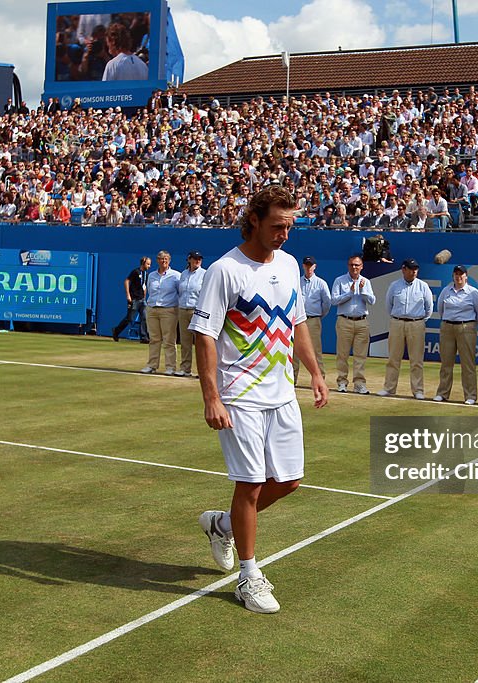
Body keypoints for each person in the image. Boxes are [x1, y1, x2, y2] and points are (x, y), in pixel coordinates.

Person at [189, 186, 328, 614]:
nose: (285, 234)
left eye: (290, 226)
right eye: (277, 226)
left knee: (288, 481)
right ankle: (248, 577)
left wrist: (316, 373)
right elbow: (204, 335)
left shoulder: (287, 265)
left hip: (281, 391)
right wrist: (212, 397)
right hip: (240, 395)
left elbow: (297, 324)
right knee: (249, 484)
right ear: (253, 220)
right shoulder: (224, 270)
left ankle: (223, 525)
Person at [377, 259, 433, 399]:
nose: (414, 271)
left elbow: (429, 308)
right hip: (397, 323)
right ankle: (389, 388)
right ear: (403, 269)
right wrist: (398, 319)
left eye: (415, 269)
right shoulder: (394, 286)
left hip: (416, 324)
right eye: (411, 268)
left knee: (416, 360)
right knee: (393, 358)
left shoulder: (423, 286)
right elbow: (388, 305)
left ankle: (418, 390)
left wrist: (419, 321)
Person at [434, 265, 478, 404]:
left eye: (461, 274)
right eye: (456, 274)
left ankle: (470, 396)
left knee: (467, 364)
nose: (458, 276)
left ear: (466, 276)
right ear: (453, 276)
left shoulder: (473, 292)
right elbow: (440, 309)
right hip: (447, 327)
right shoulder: (446, 291)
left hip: (466, 327)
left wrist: (469, 324)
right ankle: (443, 393)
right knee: (446, 363)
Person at [331, 254, 376, 393]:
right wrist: (349, 293)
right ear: (348, 266)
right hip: (344, 320)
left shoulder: (366, 282)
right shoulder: (340, 280)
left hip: (362, 322)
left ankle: (359, 384)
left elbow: (372, 300)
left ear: (361, 267)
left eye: (357, 265)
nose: (354, 267)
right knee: (342, 354)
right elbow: (333, 301)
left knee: (360, 356)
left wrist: (362, 291)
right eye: (352, 265)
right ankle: (342, 382)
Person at [142, 250, 179, 374]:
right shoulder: (151, 275)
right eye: (161, 259)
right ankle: (152, 365)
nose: (163, 261)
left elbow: (180, 293)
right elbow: (149, 291)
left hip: (169, 310)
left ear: (169, 261)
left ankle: (170, 367)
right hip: (152, 309)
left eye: (166, 259)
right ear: (157, 260)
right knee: (154, 339)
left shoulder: (176, 276)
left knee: (169, 339)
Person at [295, 256, 331, 383]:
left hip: (313, 319)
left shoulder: (321, 283)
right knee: (294, 352)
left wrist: (318, 316)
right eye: (306, 265)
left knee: (316, 351)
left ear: (315, 267)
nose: (308, 267)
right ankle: (292, 380)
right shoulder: (296, 282)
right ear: (303, 266)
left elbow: (327, 303)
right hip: (297, 321)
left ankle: (320, 379)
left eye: (311, 265)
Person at [175, 251, 205, 377]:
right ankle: (185, 368)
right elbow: (180, 292)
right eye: (195, 258)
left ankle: (202, 370)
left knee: (199, 342)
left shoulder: (205, 274)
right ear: (189, 260)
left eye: (199, 259)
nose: (197, 261)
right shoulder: (183, 274)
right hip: (183, 310)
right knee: (185, 342)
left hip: (196, 310)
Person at [112, 256, 150, 342]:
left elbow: (144, 286)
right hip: (134, 299)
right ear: (143, 263)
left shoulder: (146, 274)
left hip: (142, 300)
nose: (149, 266)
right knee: (130, 318)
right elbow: (126, 281)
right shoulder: (135, 272)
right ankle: (116, 331)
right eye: (148, 264)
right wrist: (128, 295)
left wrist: (144, 296)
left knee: (144, 317)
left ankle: (144, 337)